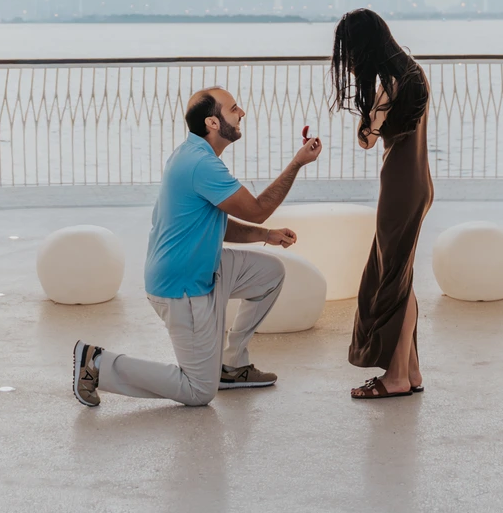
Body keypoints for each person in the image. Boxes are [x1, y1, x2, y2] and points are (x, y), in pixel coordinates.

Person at [72, 87, 322, 408]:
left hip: (205, 266)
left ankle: (232, 366)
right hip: (182, 286)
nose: (242, 113)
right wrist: (297, 163)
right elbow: (257, 209)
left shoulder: (191, 153)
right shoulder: (201, 164)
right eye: (234, 109)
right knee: (199, 390)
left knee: (270, 273)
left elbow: (214, 222)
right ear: (213, 123)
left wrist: (266, 235)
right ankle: (97, 364)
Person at [331, 9, 433, 399]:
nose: (349, 62)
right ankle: (410, 371)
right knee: (399, 279)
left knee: (391, 284)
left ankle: (396, 378)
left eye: (350, 53)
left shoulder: (389, 84)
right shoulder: (412, 73)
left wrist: (368, 112)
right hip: (417, 184)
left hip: (399, 189)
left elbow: (367, 139)